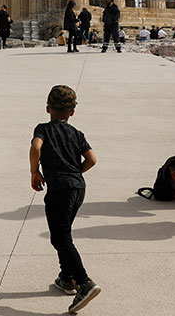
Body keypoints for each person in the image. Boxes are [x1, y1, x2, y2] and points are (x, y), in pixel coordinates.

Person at [30, 85, 101, 313]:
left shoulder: (43, 129)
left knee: (60, 238)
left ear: (47, 108)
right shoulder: (77, 134)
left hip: (59, 190)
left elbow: (36, 147)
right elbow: (92, 160)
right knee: (64, 234)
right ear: (72, 112)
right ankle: (67, 277)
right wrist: (75, 173)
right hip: (78, 189)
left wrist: (34, 171)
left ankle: (84, 282)